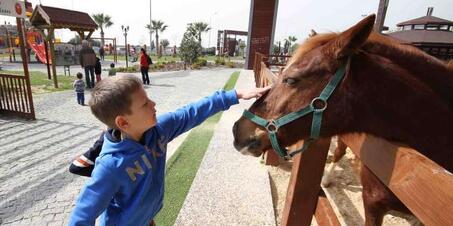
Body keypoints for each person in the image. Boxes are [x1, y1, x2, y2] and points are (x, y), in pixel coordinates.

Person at [68, 75, 270, 225]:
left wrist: (235, 95)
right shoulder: (111, 166)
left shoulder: (158, 131)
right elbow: (82, 216)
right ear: (123, 122)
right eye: (145, 104)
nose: (154, 104)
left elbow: (191, 113)